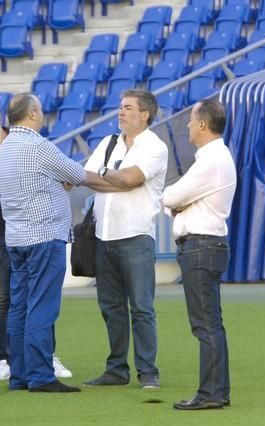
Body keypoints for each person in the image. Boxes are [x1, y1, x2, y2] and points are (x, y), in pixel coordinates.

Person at [0, 97, 74, 381]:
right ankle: (9, 361)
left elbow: (61, 177)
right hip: (6, 234)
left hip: (24, 233)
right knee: (9, 300)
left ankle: (37, 362)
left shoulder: (18, 145)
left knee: (30, 299)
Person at [0, 93, 85, 393]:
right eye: (41, 109)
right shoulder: (37, 145)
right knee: (43, 307)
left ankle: (19, 374)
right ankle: (41, 375)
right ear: (32, 114)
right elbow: (76, 173)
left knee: (19, 307)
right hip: (44, 236)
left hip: (17, 238)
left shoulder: (6, 146)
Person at [82, 89, 168, 390]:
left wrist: (108, 174)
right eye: (120, 107)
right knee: (110, 306)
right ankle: (116, 369)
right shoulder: (108, 142)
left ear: (144, 114)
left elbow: (131, 178)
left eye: (127, 107)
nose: (120, 112)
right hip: (104, 235)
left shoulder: (154, 146)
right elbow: (85, 177)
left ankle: (148, 372)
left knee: (141, 307)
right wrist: (116, 179)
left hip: (135, 235)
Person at [162, 100, 236, 410]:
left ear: (203, 125)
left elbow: (170, 196)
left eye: (192, 121)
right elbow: (175, 200)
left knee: (205, 324)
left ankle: (211, 393)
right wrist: (177, 202)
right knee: (210, 323)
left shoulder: (210, 160)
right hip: (206, 245)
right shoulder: (215, 157)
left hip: (201, 247)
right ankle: (216, 390)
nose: (189, 126)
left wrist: (176, 203)